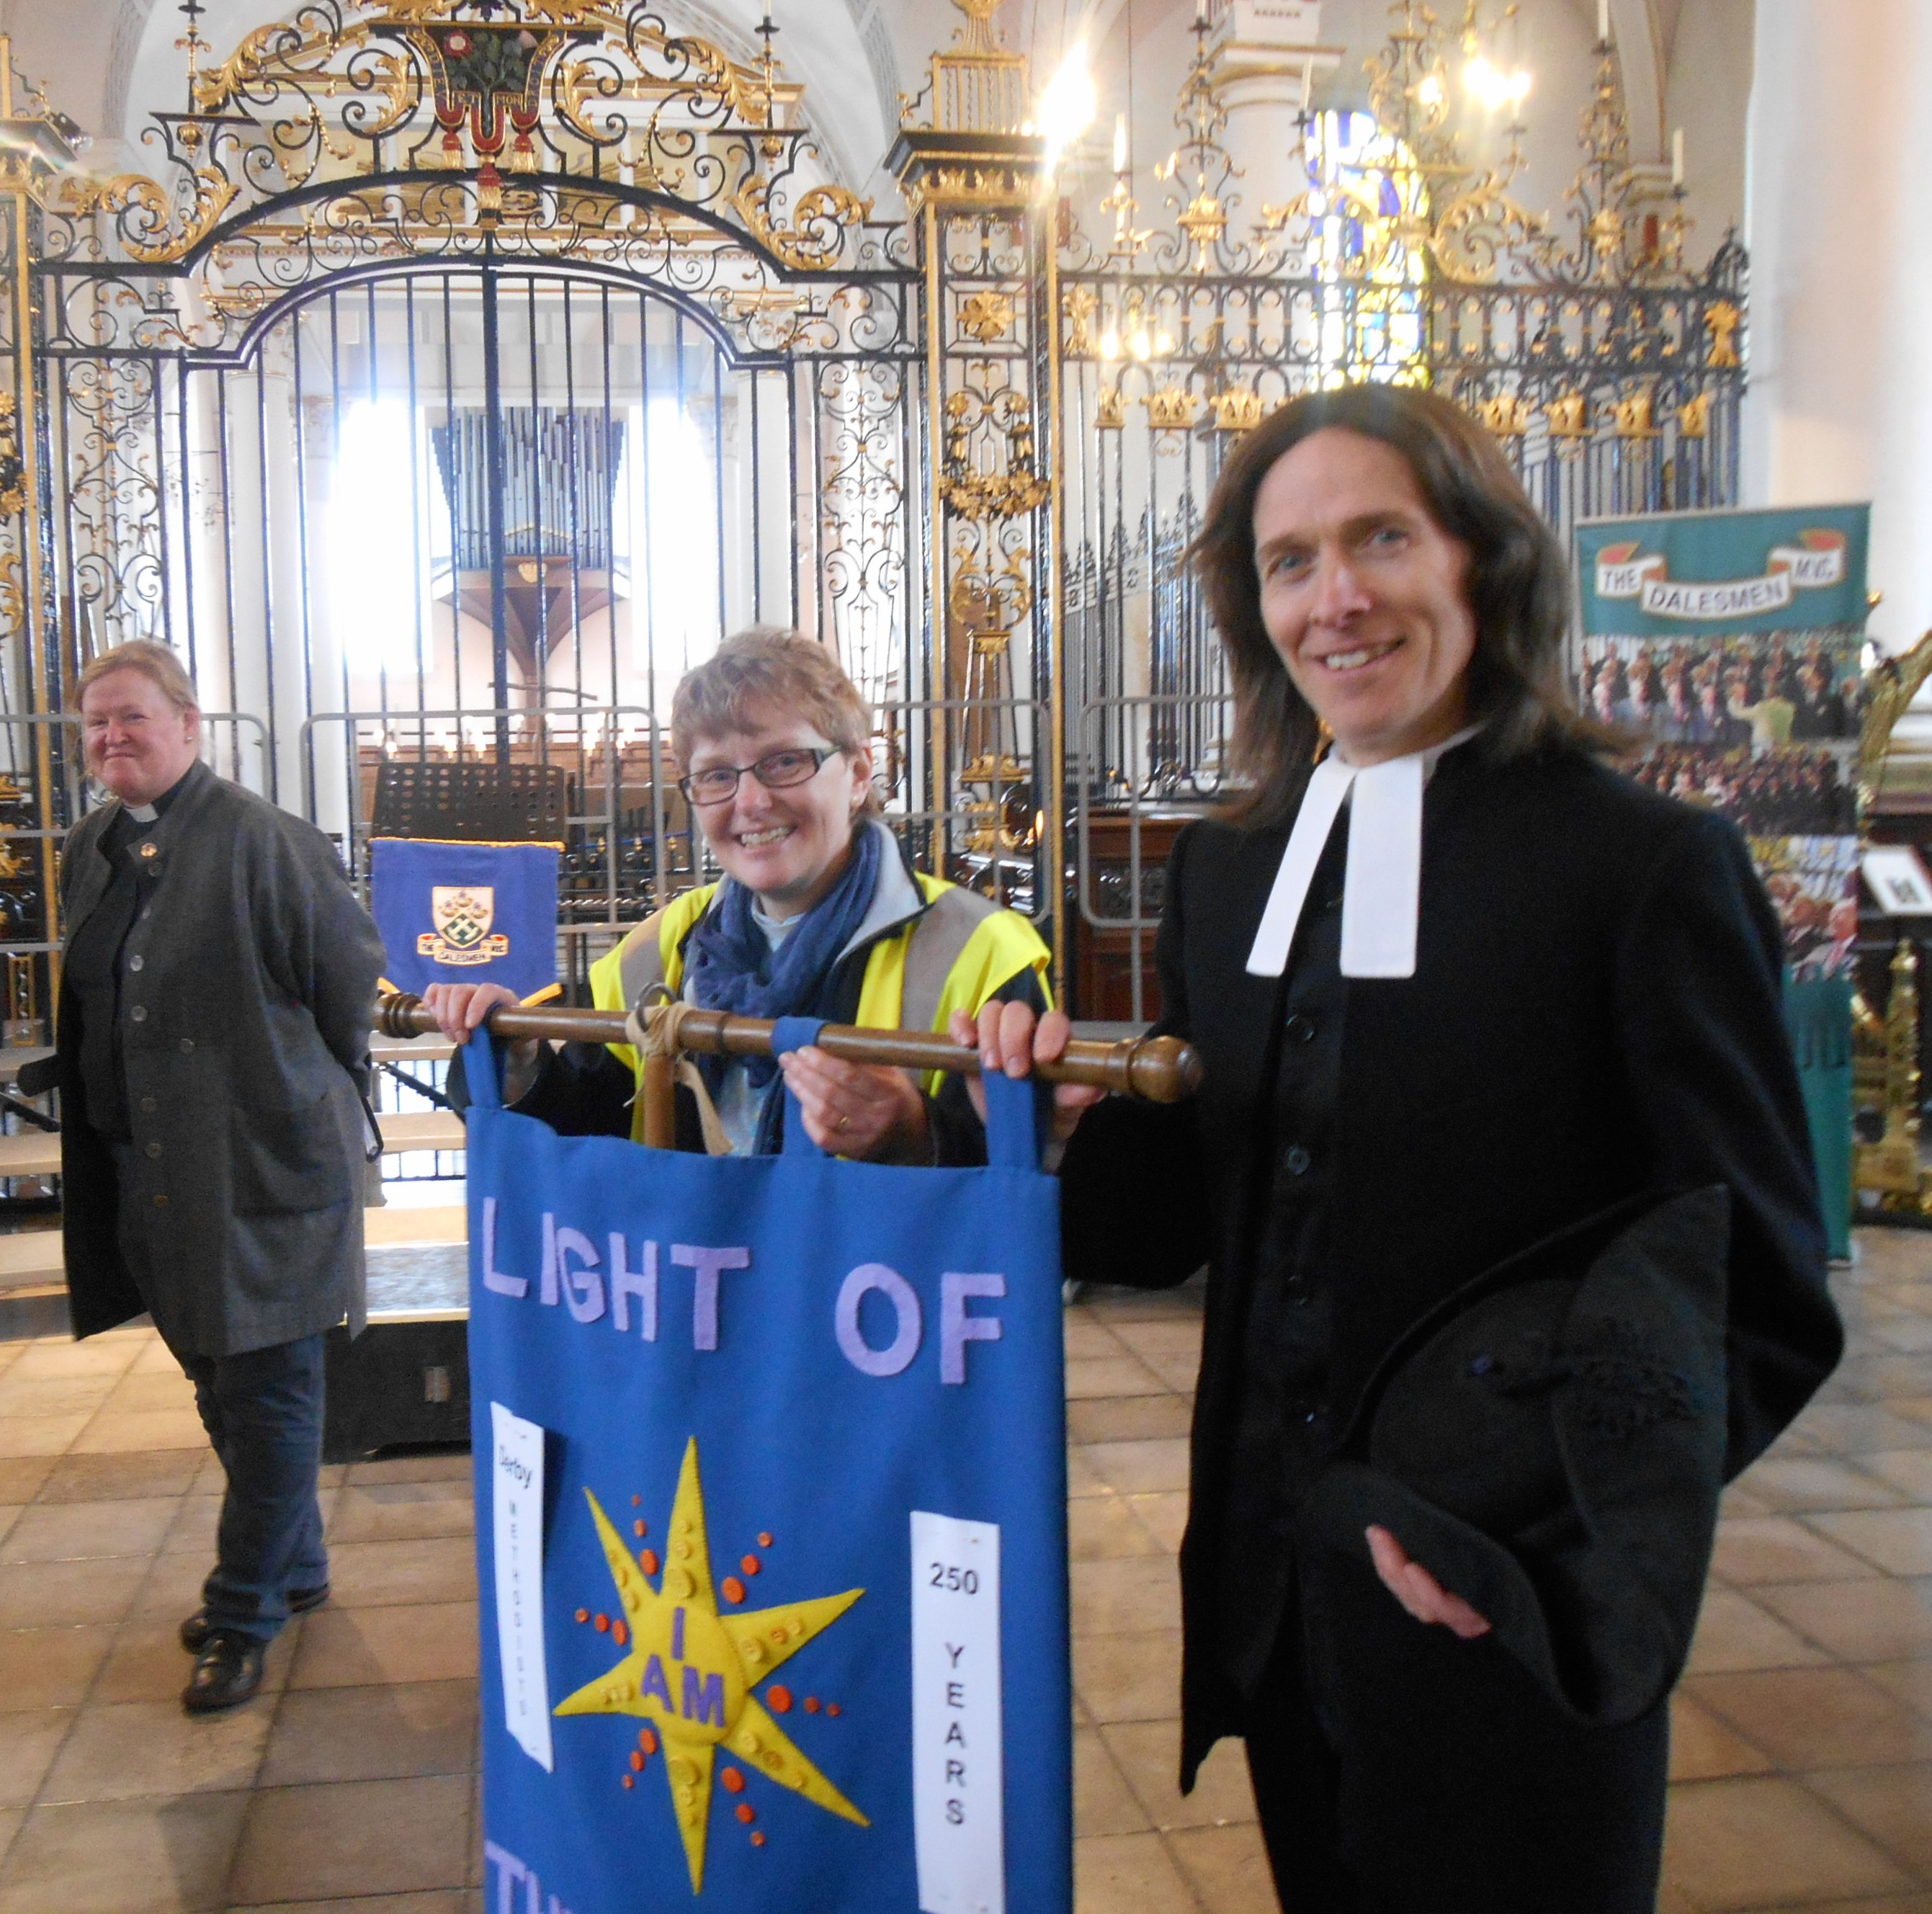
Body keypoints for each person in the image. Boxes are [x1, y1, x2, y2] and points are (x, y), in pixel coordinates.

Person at [959, 385, 1841, 1913]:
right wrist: (1044, 1138)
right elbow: (1185, 1220)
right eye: (1291, 560)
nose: (1337, 596)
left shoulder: (1639, 866)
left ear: (1482, 564)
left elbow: (1759, 1283)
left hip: (1502, 1617)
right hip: (1275, 1595)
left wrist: (1547, 1551)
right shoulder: (1234, 870)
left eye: (1381, 538)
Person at [35, 641, 385, 1714]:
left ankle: (242, 1611)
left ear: (189, 724)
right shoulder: (93, 845)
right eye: (95, 724)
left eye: (133, 718)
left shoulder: (265, 842)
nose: (111, 739)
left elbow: (350, 987)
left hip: (267, 1163)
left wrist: (287, 1099)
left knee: (271, 1388)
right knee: (212, 1374)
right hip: (151, 1171)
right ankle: (298, 1563)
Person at [425, 628, 1049, 1162]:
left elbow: (1041, 1187)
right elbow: (591, 1138)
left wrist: (918, 1135)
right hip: (700, 1296)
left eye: (784, 762)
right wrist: (519, 1057)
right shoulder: (657, 949)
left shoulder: (980, 950)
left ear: (859, 774)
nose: (751, 802)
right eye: (718, 774)